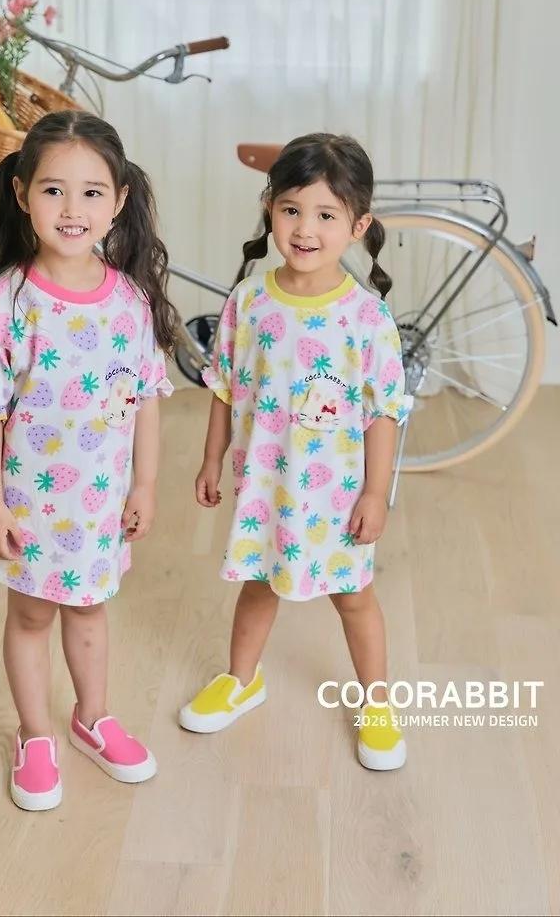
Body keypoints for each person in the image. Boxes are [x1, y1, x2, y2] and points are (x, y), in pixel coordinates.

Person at [0, 109, 177, 810]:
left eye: (91, 192)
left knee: (88, 612)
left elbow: (146, 398)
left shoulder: (131, 303)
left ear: (119, 200)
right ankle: (35, 735)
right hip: (29, 507)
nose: (72, 209)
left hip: (100, 502)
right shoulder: (5, 303)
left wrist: (144, 483)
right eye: (54, 190)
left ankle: (92, 717)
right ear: (22, 195)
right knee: (30, 618)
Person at [178, 132, 413, 771]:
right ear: (270, 209)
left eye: (326, 215)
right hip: (265, 486)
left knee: (353, 596)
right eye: (290, 210)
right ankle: (241, 679)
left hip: (337, 495)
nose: (305, 229)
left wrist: (374, 492)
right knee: (259, 583)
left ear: (358, 226)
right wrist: (210, 458)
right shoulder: (249, 300)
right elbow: (224, 386)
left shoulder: (366, 317)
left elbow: (384, 411)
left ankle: (376, 702)